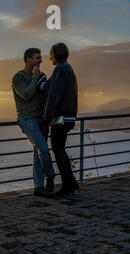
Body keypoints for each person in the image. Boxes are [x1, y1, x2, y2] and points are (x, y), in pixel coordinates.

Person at [12, 48, 55, 197]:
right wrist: (35, 78)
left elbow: (48, 95)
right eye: (37, 58)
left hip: (41, 119)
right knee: (42, 148)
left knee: (38, 153)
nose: (41, 61)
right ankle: (50, 175)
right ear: (28, 59)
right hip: (27, 120)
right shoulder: (18, 77)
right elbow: (26, 95)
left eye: (40, 58)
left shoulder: (41, 76)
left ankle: (38, 187)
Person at [42, 43, 79, 196]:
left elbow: (53, 96)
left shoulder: (60, 69)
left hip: (60, 118)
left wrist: (46, 118)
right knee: (60, 148)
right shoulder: (67, 68)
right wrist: (40, 78)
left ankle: (67, 186)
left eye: (50, 54)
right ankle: (71, 183)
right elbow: (48, 87)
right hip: (68, 117)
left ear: (55, 54)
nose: (49, 57)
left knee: (58, 149)